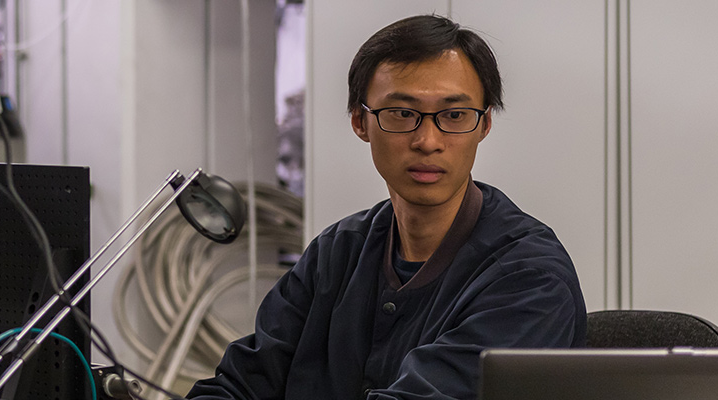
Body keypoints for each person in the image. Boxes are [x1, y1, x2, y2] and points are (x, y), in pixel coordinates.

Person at [187, 14, 586, 400]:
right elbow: (239, 384)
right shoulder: (337, 253)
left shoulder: (529, 278)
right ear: (360, 122)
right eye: (402, 114)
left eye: (454, 115)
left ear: (484, 125)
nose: (428, 141)